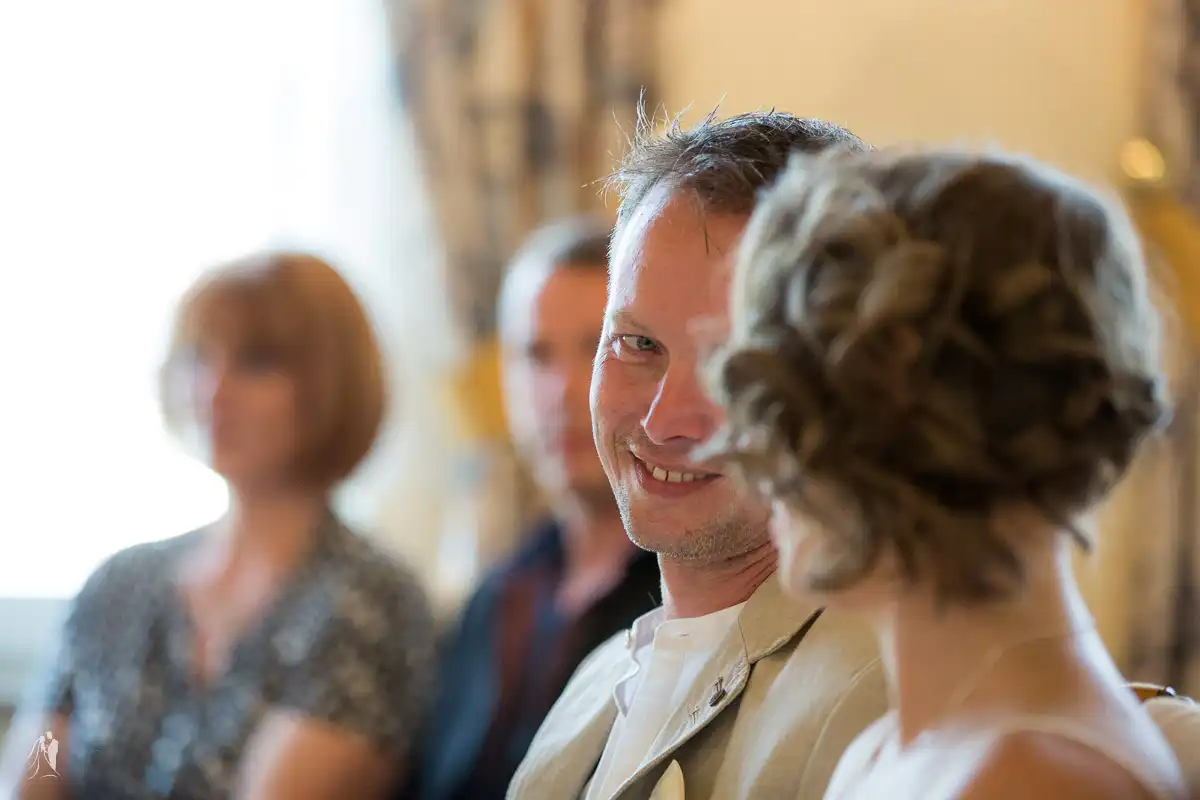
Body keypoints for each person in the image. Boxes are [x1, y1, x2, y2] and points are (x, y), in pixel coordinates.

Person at [701, 146, 1188, 799]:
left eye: (791, 410)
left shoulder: (1032, 780)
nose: (762, 472)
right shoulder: (898, 749)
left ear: (905, 415)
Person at [508, 112, 889, 800]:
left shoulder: (884, 706)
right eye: (639, 345)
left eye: (734, 366)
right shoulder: (595, 683)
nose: (666, 419)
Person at [0, 252, 436, 800]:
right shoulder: (118, 584)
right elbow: (35, 774)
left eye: (255, 362)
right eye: (197, 357)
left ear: (329, 383)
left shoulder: (372, 601)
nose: (213, 390)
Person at [406, 219, 660, 800]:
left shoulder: (688, 595)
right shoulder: (497, 593)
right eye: (536, 355)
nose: (563, 390)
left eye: (599, 349)